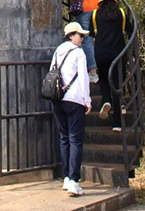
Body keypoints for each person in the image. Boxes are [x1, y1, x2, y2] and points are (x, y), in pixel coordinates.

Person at [50, 22, 91, 197]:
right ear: (71, 35)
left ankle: (66, 177)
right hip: (74, 100)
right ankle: (74, 181)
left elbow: (51, 72)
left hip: (58, 100)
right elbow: (84, 78)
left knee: (64, 138)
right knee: (75, 140)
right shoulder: (78, 53)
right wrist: (87, 101)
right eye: (80, 36)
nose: (82, 39)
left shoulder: (57, 52)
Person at [63, 0, 106, 82]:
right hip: (96, 9)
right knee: (99, 37)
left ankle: (93, 72)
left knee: (86, 40)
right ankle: (105, 70)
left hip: (83, 10)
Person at [92, 0, 129, 132]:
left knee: (103, 79)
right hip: (118, 54)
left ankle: (106, 100)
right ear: (114, 1)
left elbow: (90, 33)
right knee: (118, 86)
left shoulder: (95, 14)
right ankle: (117, 123)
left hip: (101, 53)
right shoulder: (121, 14)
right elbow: (130, 29)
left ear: (100, 2)